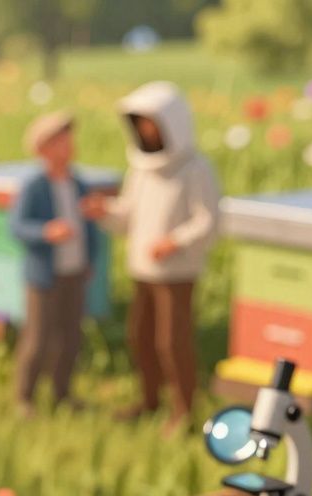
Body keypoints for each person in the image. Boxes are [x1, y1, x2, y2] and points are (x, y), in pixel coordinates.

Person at [82, 81, 220, 432]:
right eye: (139, 123)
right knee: (140, 338)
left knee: (172, 344)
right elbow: (129, 216)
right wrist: (105, 211)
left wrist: (174, 241)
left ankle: (185, 411)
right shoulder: (141, 169)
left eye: (151, 122)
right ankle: (149, 400)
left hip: (176, 275)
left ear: (171, 123)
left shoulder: (196, 169)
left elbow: (208, 221)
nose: (145, 129)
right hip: (142, 271)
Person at [9, 111, 104, 415]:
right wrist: (46, 231)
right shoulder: (34, 185)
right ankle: (24, 397)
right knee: (37, 339)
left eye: (69, 140)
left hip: (73, 273)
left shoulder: (79, 183)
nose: (68, 146)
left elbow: (89, 226)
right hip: (44, 277)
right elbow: (17, 226)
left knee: (71, 337)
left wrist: (90, 258)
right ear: (43, 149)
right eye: (60, 141)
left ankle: (62, 393)